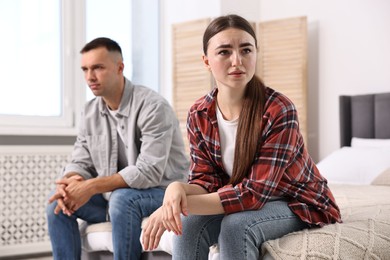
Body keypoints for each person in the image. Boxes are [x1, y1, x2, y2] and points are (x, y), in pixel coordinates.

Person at [142, 14, 341, 259]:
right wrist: (175, 190)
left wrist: (171, 208)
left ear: (256, 53)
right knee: (188, 225)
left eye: (246, 50)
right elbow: (207, 180)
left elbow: (253, 194)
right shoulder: (199, 112)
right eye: (224, 52)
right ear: (206, 61)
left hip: (296, 201)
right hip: (241, 196)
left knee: (236, 226)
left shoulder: (279, 109)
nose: (237, 61)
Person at [46, 37, 189, 260]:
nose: (90, 77)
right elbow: (80, 159)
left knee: (122, 199)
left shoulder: (153, 107)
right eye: (85, 69)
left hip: (162, 193)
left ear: (120, 67)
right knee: (58, 203)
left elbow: (149, 171)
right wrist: (73, 182)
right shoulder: (90, 111)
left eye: (98, 68)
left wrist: (91, 186)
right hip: (114, 200)